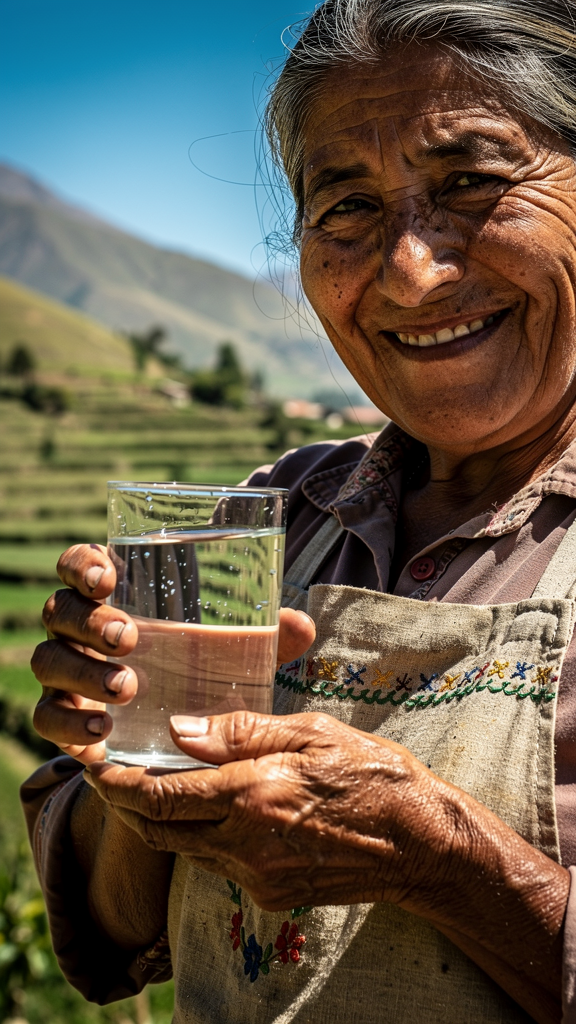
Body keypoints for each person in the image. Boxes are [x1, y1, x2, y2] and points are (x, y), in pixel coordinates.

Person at [22, 0, 576, 1021]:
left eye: (471, 181)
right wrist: (130, 764)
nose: (413, 271)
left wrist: (439, 859)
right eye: (349, 207)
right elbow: (112, 936)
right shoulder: (274, 515)